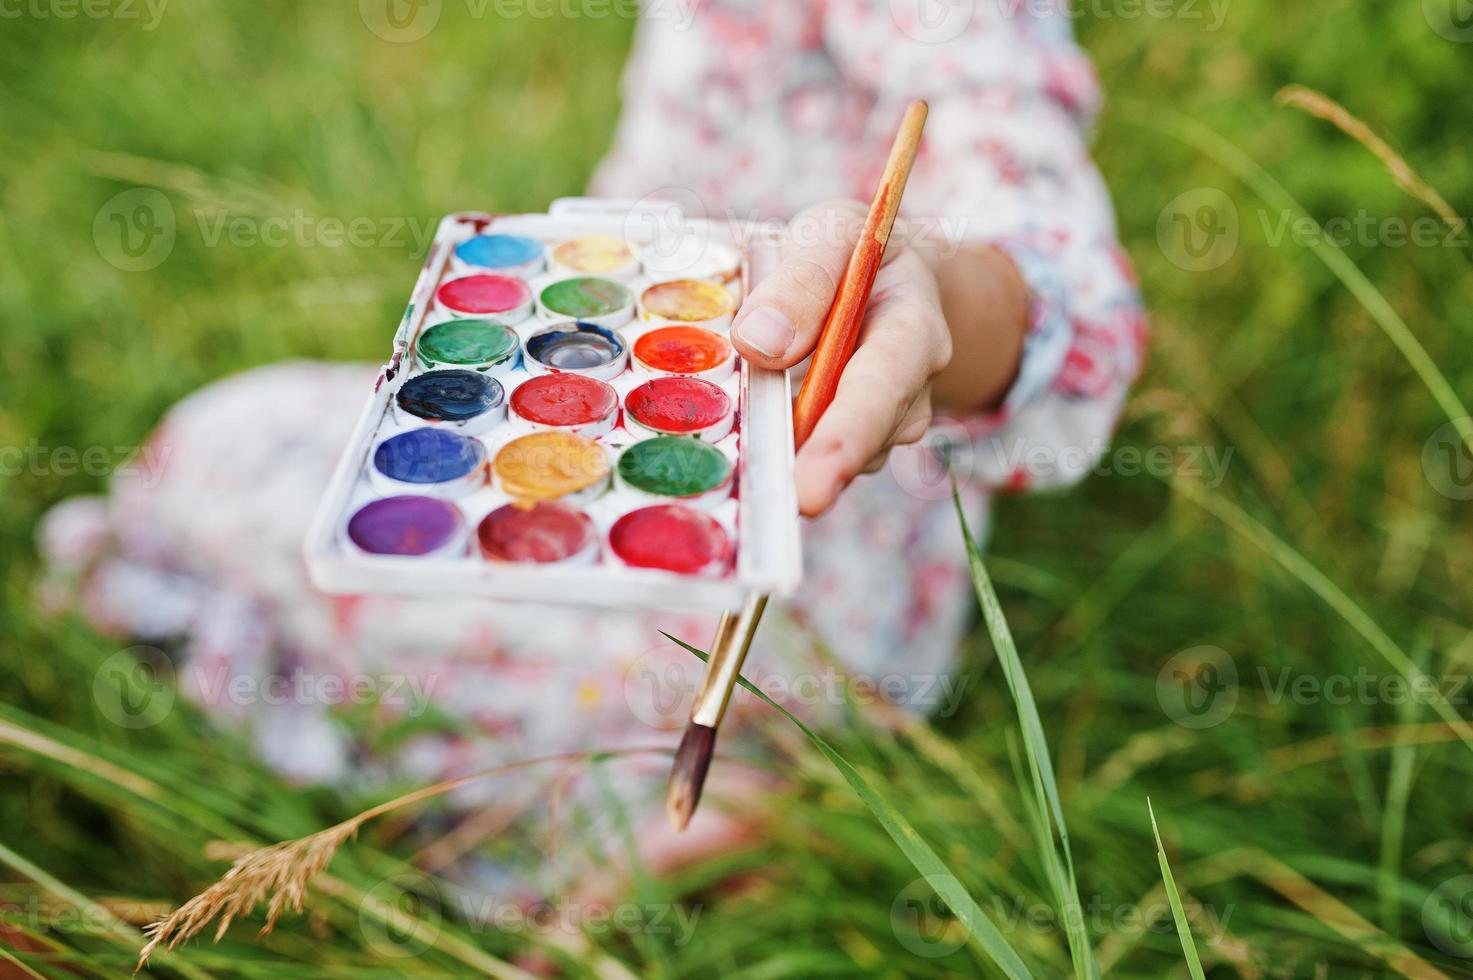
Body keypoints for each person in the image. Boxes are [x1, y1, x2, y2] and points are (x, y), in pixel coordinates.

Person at [39, 0, 1143, 900]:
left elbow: (1058, 258)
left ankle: (753, 775)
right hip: (614, 420)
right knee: (215, 451)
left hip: (793, 580)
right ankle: (670, 784)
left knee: (212, 481)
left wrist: (933, 286)